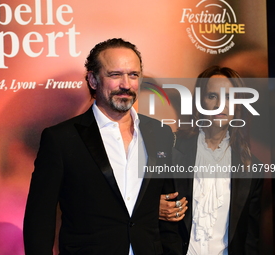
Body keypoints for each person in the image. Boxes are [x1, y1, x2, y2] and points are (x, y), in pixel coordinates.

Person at [23, 38, 178, 255]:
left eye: (133, 75)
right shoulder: (61, 139)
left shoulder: (159, 133)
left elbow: (170, 209)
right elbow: (40, 219)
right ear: (93, 80)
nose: (126, 84)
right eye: (115, 75)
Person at [160, 66, 263, 255]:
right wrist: (154, 207)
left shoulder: (251, 166)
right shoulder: (171, 149)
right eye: (212, 96)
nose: (220, 105)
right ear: (200, 102)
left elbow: (249, 237)